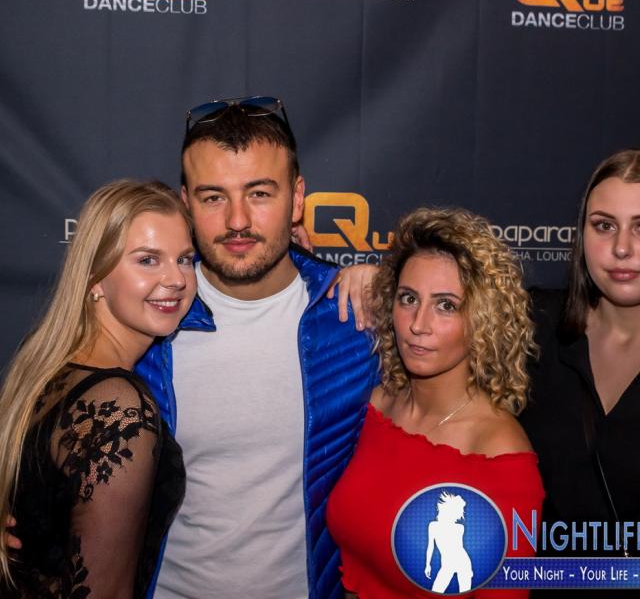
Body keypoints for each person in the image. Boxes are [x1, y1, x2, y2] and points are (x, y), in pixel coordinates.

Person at [136, 97, 378, 599]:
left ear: (298, 198)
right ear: (185, 203)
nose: (238, 220)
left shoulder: (353, 319)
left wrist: (389, 281)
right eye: (213, 197)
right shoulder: (148, 321)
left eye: (260, 193)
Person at [327, 207, 544, 598]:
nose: (418, 324)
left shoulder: (500, 454)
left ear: (482, 318)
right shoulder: (375, 405)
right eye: (408, 298)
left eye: (446, 305)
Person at [0, 180, 196, 598]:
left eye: (184, 259)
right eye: (148, 260)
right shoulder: (116, 407)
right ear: (95, 277)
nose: (176, 278)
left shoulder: (48, 368)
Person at [519, 149, 640, 595]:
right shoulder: (531, 325)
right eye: (604, 226)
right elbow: (434, 308)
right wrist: (370, 282)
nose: (622, 247)